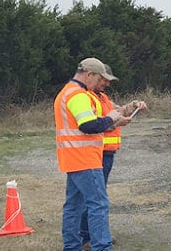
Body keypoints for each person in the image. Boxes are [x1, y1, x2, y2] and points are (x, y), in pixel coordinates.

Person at [55, 57, 131, 251]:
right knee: (98, 204)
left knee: (73, 205)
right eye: (99, 80)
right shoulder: (78, 95)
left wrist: (111, 120)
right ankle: (101, 247)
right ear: (89, 74)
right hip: (85, 159)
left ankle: (72, 247)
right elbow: (88, 125)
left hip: (73, 158)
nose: (101, 84)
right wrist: (111, 117)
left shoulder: (67, 92)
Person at [79, 64, 146, 245]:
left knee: (96, 197)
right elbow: (93, 126)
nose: (107, 85)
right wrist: (117, 124)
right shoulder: (88, 99)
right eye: (104, 81)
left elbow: (118, 111)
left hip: (106, 154)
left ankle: (91, 235)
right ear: (94, 77)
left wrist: (133, 106)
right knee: (95, 198)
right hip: (96, 153)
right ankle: (88, 237)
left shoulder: (102, 98)